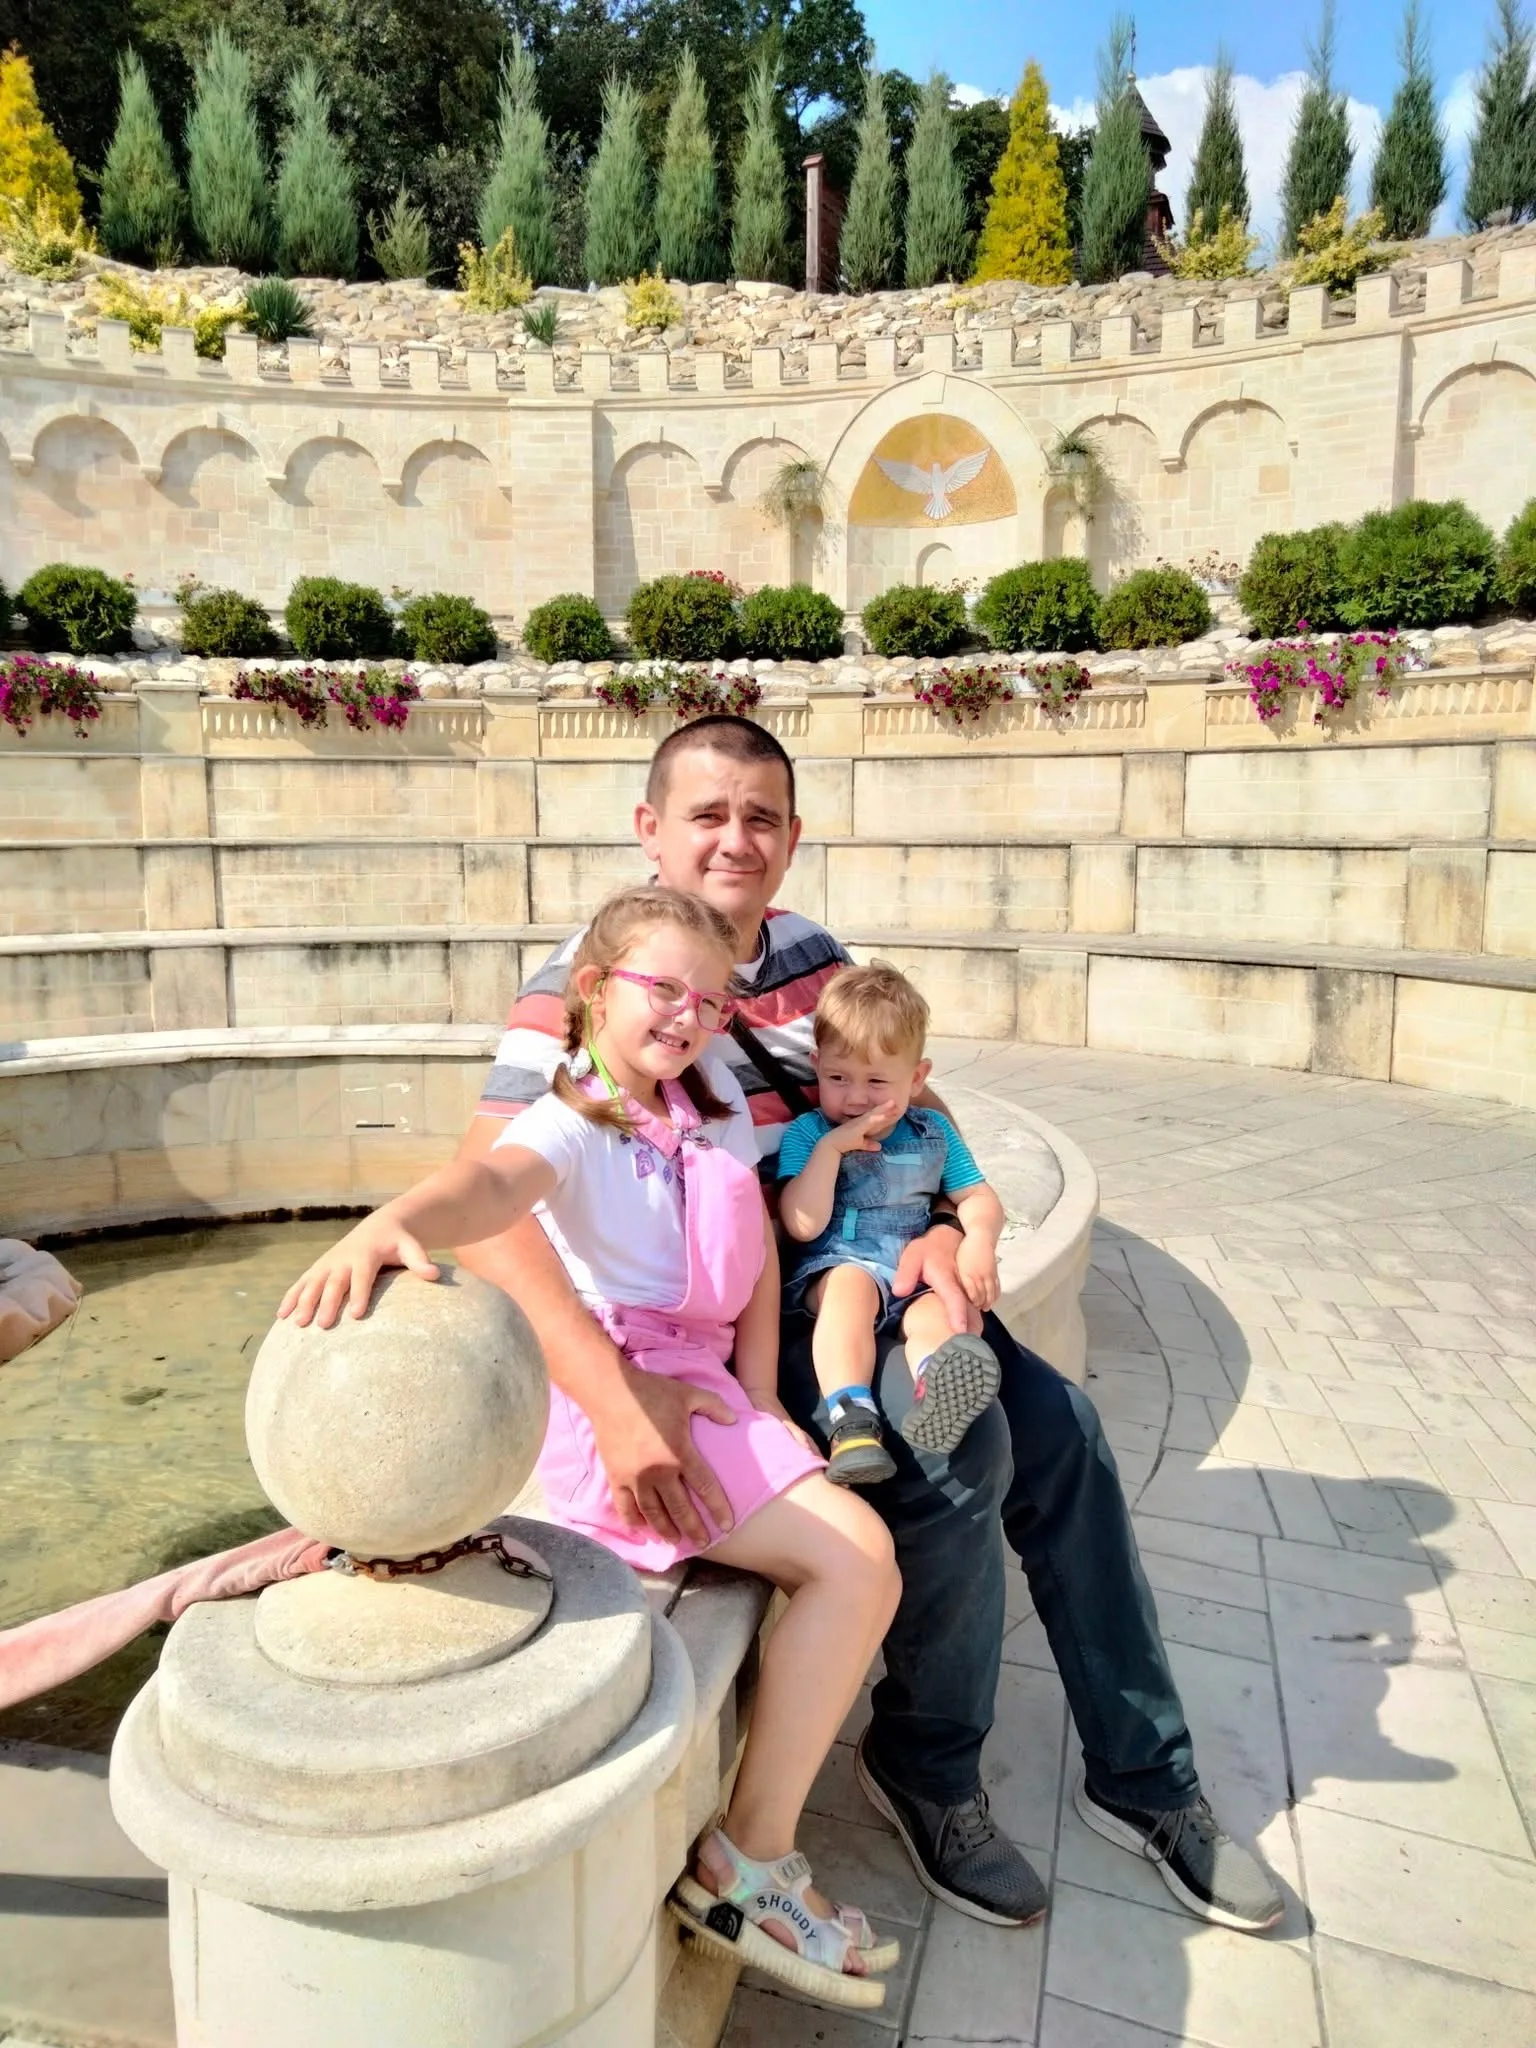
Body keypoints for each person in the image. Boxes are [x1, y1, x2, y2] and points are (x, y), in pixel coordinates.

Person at [456, 715, 1284, 1937]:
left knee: (1065, 1432)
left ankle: (1147, 1774)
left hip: (888, 1269)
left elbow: (911, 1097)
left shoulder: (809, 951)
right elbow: (484, 1202)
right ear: (650, 829)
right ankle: (928, 1769)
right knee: (956, 1455)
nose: (735, 839)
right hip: (771, 1308)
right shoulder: (599, 977)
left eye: (761, 817)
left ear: (791, 839)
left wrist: (956, 1218)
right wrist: (613, 1399)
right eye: (707, 814)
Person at [280, 885, 905, 2010]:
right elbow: (490, 1183)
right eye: (662, 987)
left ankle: (752, 1854)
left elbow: (759, 1251)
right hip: (623, 1395)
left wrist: (764, 1395)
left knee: (860, 1557)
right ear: (593, 990)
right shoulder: (571, 1117)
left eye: (709, 1000)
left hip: (708, 1385)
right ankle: (747, 1864)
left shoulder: (705, 1101)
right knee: (857, 1560)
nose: (686, 1014)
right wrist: (394, 1221)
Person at [776, 961, 1005, 1487]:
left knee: (937, 1314)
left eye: (877, 1081)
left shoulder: (932, 1131)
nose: (855, 1097)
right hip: (837, 1264)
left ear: (916, 1079)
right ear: (816, 1066)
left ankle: (937, 1388)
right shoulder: (809, 1134)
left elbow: (977, 1195)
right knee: (850, 1291)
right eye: (837, 1078)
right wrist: (831, 1150)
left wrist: (978, 1240)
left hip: (910, 1272)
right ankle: (851, 1419)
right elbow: (802, 1224)